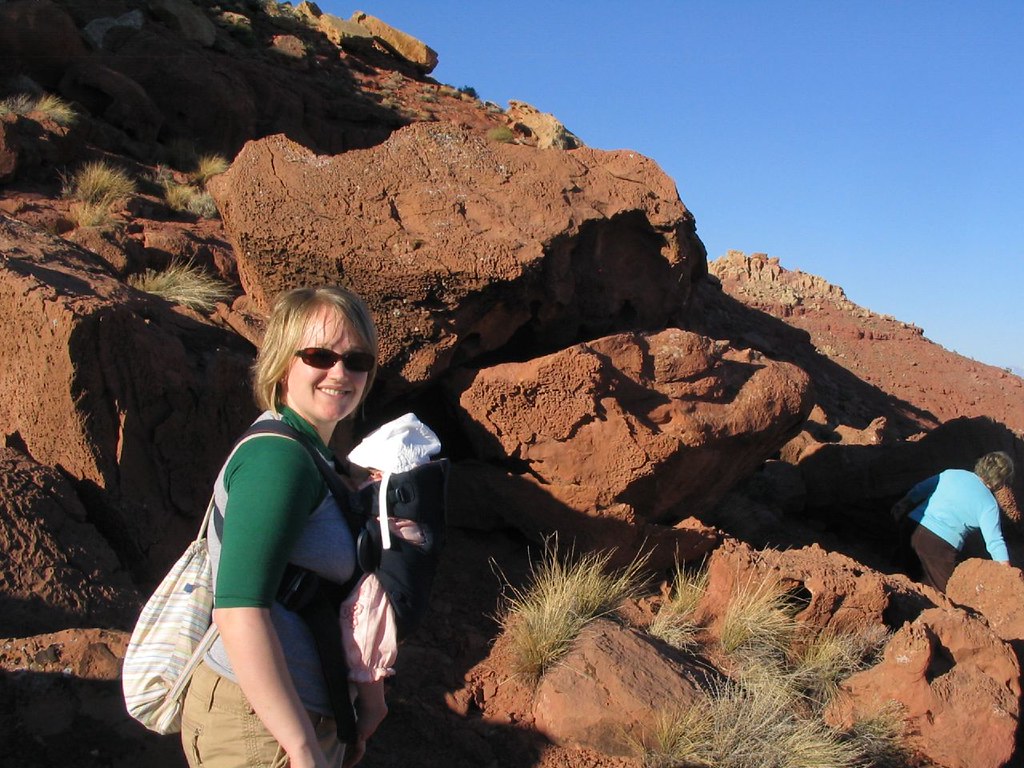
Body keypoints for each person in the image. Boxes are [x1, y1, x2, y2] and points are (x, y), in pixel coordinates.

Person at [180, 285, 391, 768]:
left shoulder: (315, 454)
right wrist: (301, 747)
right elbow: (238, 612)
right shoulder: (278, 461)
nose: (340, 372)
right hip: (261, 730)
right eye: (320, 356)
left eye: (357, 360)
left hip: (298, 715)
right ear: (282, 363)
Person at [893, 451, 1015, 592]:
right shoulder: (989, 504)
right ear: (1001, 480)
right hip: (938, 546)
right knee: (946, 593)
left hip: (911, 527)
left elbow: (919, 490)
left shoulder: (952, 473)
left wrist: (901, 505)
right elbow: (994, 542)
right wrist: (1007, 572)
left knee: (901, 576)